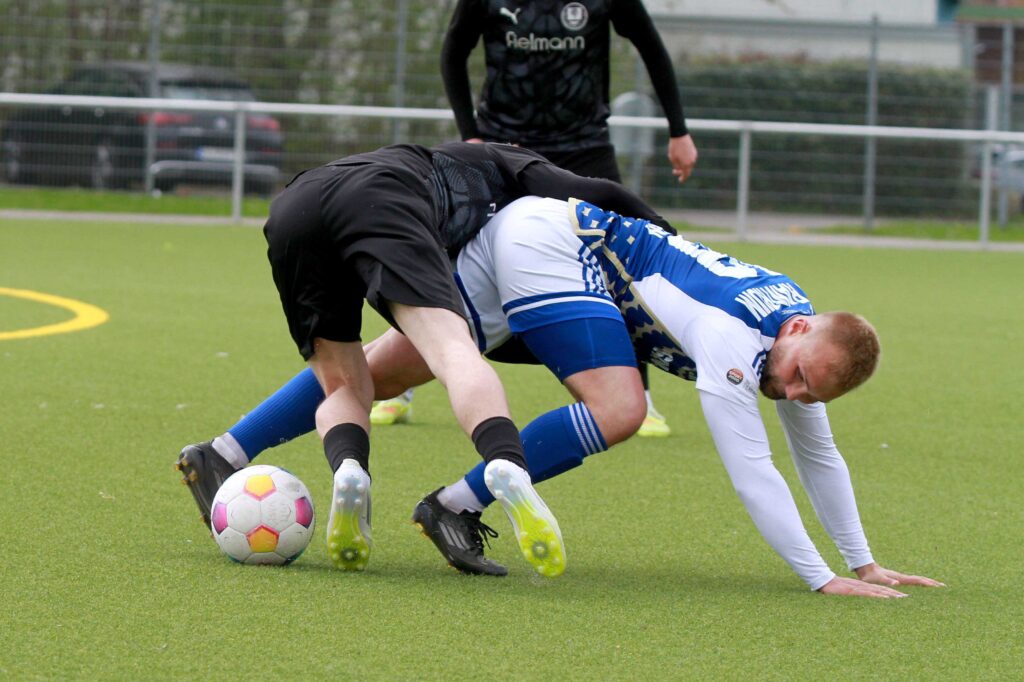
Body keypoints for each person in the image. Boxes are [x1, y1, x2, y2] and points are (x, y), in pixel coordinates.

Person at [181, 195, 945, 598]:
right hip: (557, 249)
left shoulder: (794, 329)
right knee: (622, 408)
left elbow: (818, 453)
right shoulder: (736, 341)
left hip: (532, 233)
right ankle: (454, 504)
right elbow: (754, 470)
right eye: (800, 376)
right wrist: (820, 575)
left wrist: (863, 561)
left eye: (811, 391)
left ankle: (221, 453)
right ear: (799, 330)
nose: (794, 391)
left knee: (387, 369)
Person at [176, 140, 672, 577]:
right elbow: (597, 191)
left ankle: (337, 467)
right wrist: (671, 245)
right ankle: (504, 462)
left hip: (295, 205)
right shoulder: (516, 164)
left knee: (344, 383)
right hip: (384, 200)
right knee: (453, 350)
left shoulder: (442, 158)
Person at [370, 0, 699, 436]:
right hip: (503, 149)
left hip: (585, 147)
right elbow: (453, 51)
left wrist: (678, 130)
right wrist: (470, 132)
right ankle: (400, 387)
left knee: (620, 268)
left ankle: (641, 395)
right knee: (452, 259)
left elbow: (651, 47)